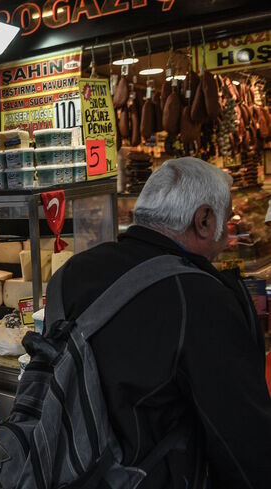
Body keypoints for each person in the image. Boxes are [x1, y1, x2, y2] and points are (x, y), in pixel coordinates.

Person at [51, 158, 271, 487]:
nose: (227, 239)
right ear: (204, 220)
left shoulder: (69, 274)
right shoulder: (201, 296)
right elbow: (243, 439)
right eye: (225, 222)